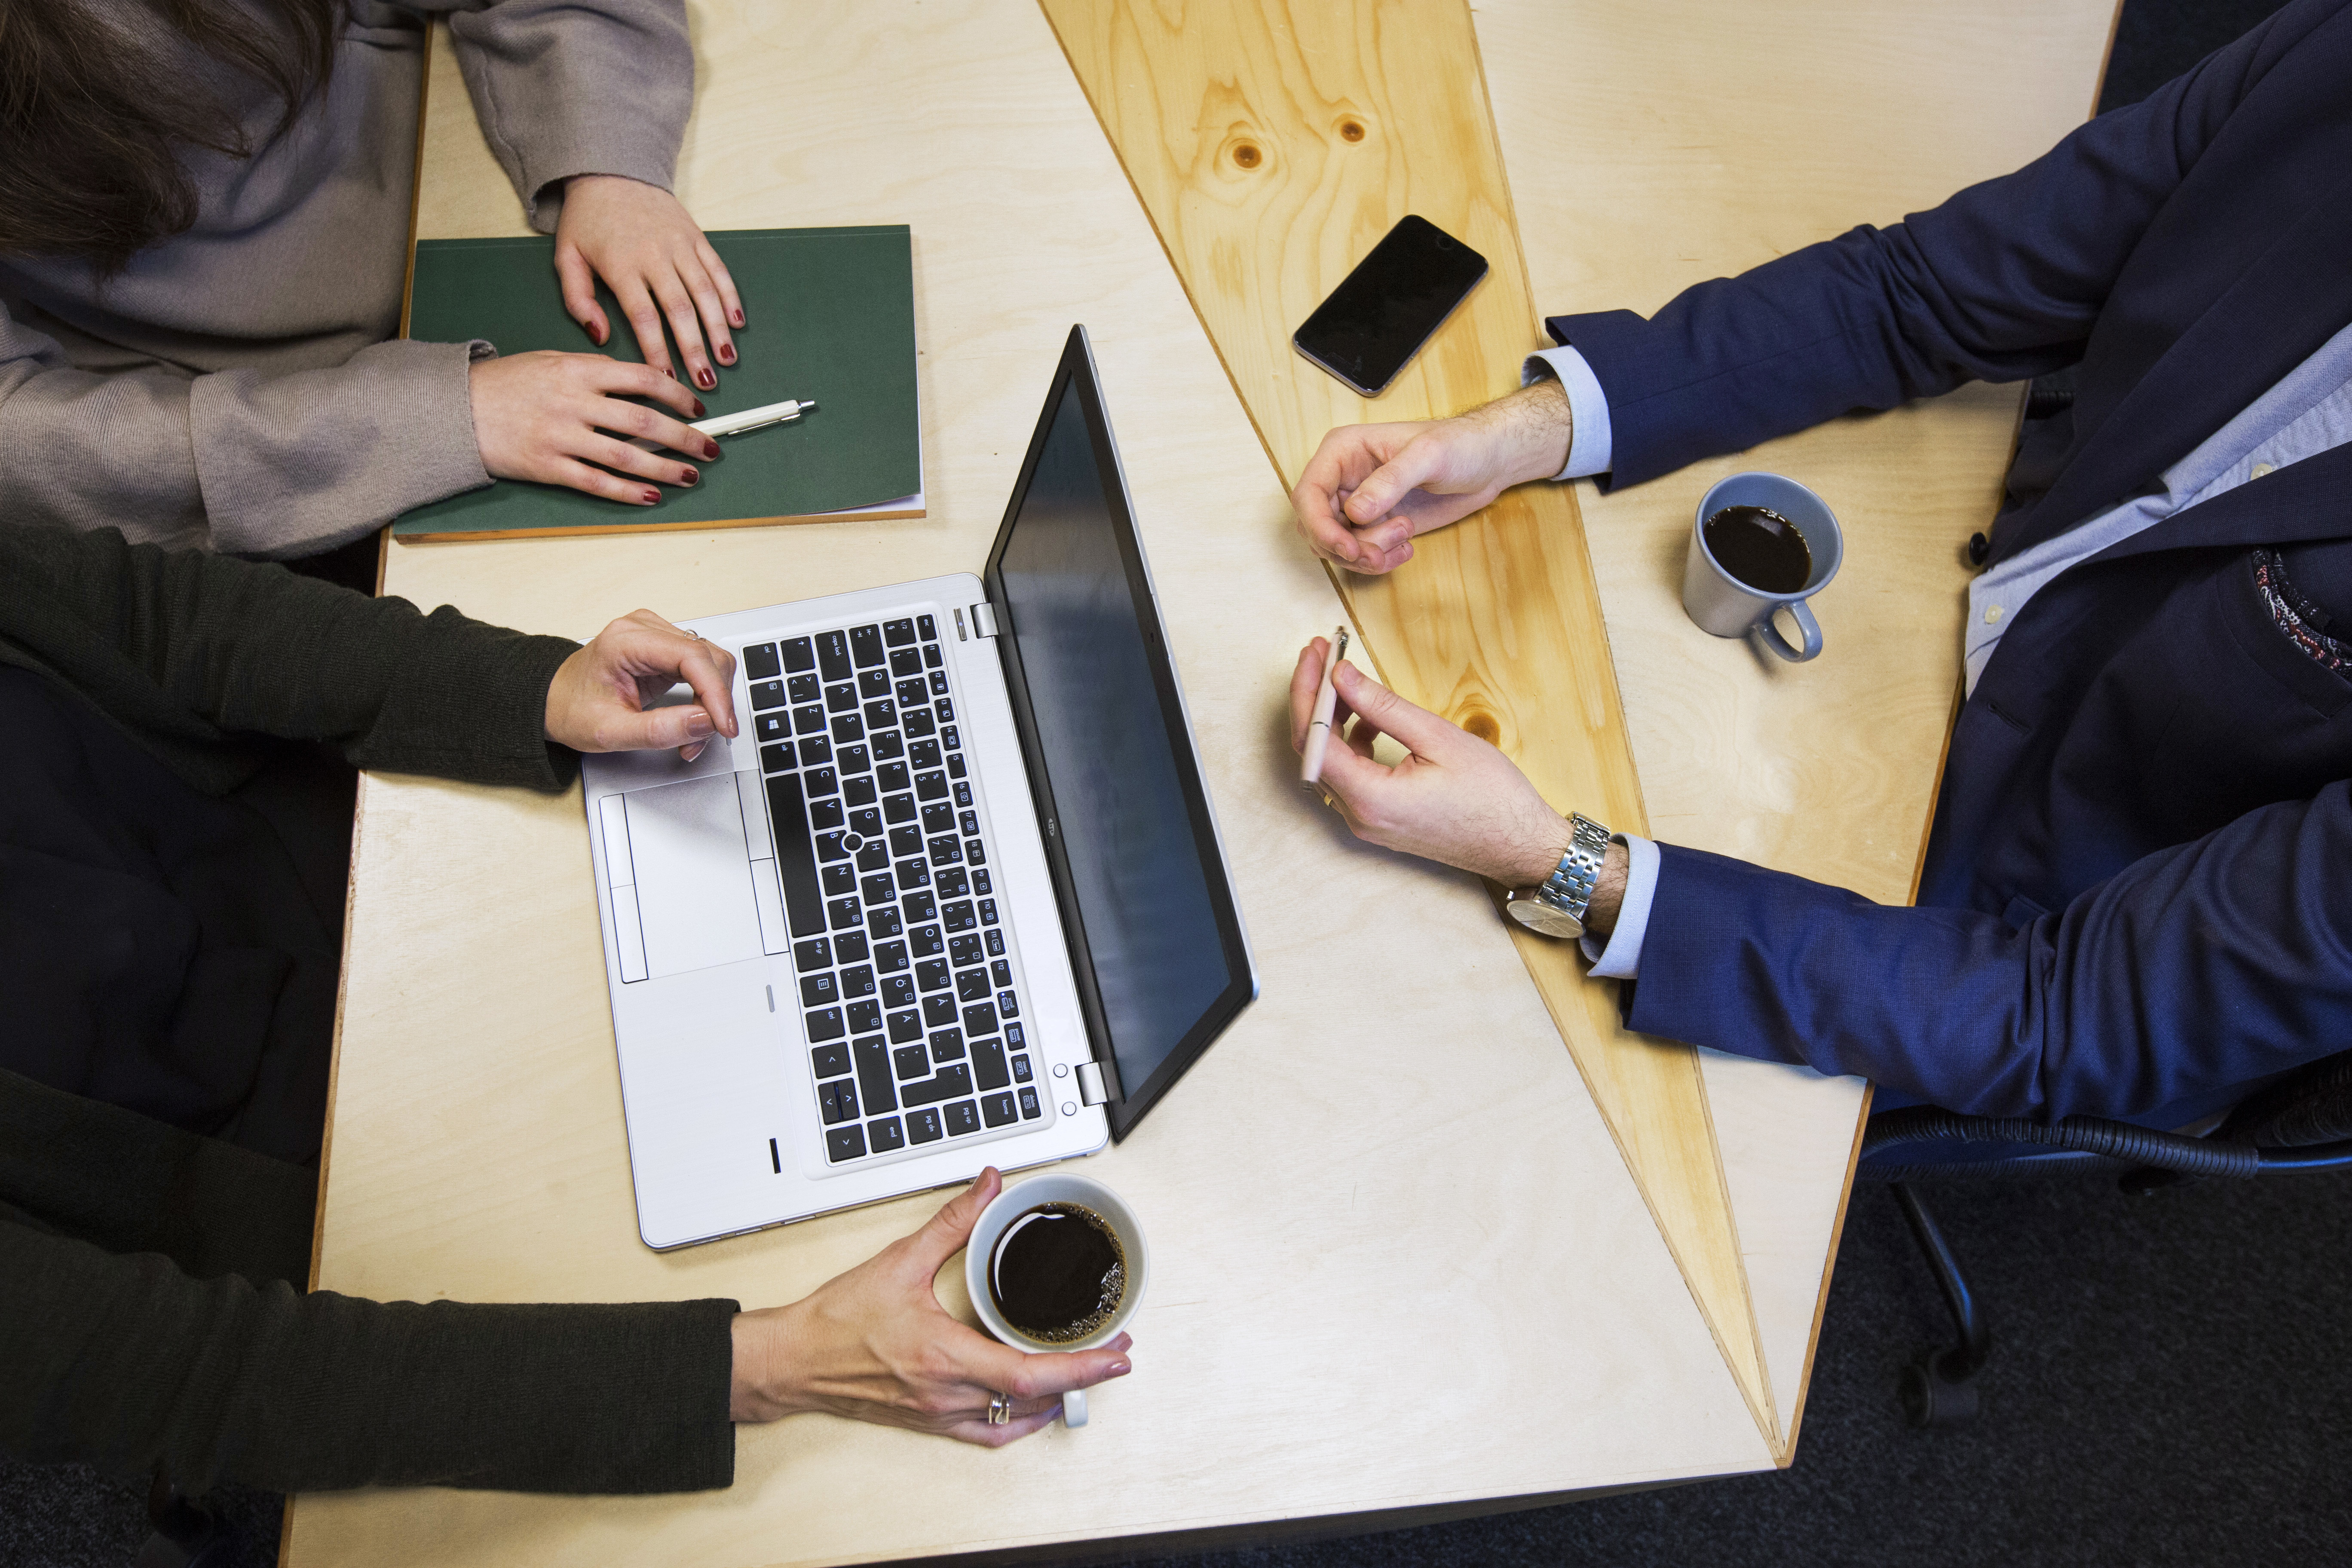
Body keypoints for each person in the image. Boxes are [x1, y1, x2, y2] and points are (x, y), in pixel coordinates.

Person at [1285, 0, 2352, 1127]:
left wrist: (1563, 866)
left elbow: (2067, 1015)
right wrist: (1540, 427)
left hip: (2003, 942)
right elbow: (1921, 291)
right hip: (1955, 606)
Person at [0, 524, 1130, 1494]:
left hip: (372, 840)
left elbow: (154, 616)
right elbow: (217, 1380)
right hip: (307, 1196)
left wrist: (531, 690)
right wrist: (774, 1364)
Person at [0, 0, 742, 559]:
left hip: (469, 162)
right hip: (274, 443)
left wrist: (603, 159)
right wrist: (427, 420)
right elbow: (34, 447)